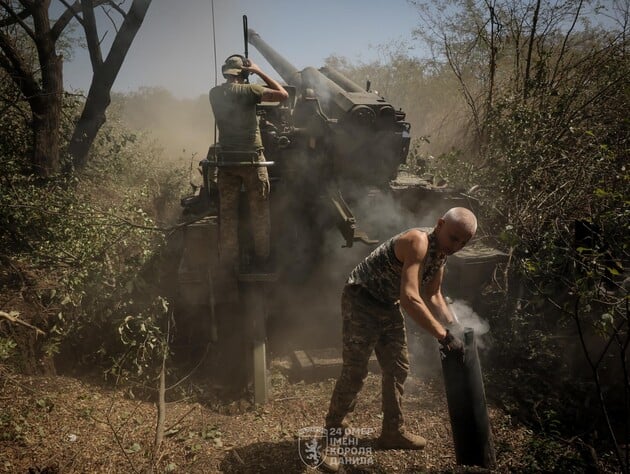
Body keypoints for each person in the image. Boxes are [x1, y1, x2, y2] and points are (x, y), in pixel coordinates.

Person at [321, 207, 477, 472]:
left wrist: (455, 326)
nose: (457, 246)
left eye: (464, 242)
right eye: (454, 238)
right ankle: (331, 441)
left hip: (387, 304)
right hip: (361, 298)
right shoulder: (418, 241)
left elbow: (434, 294)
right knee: (355, 372)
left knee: (398, 367)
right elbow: (410, 298)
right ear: (440, 224)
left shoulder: (442, 253)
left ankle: (392, 432)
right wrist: (443, 335)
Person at [209, 55, 288, 279]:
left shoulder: (214, 93)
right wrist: (259, 71)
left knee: (228, 216)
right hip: (253, 161)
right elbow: (283, 95)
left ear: (226, 73)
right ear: (243, 74)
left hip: (227, 162)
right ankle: (262, 260)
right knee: (260, 214)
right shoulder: (250, 90)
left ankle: (228, 265)